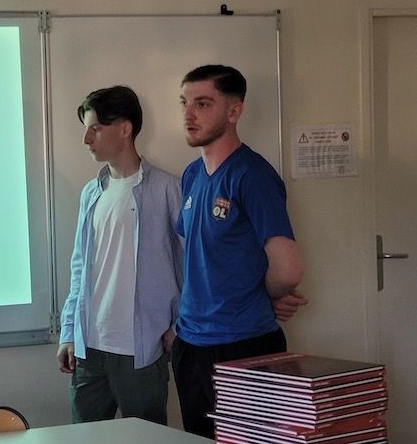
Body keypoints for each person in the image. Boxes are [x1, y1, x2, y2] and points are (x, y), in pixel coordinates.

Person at [173, 65, 308, 438]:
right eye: (184, 103)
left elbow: (289, 269)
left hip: (243, 344)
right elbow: (202, 256)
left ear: (234, 111)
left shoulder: (252, 175)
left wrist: (267, 295)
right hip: (191, 343)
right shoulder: (192, 175)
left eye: (202, 104)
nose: (188, 115)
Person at [56, 86, 183, 425]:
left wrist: (179, 325)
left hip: (142, 349)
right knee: (84, 437)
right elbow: (80, 268)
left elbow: (190, 267)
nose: (86, 139)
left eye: (95, 129)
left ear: (125, 129)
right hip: (89, 349)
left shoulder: (167, 190)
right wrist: (68, 331)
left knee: (146, 437)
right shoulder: (91, 193)